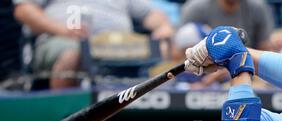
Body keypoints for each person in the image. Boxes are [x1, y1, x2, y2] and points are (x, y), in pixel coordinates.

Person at [13, 0, 174, 89]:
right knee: (73, 53)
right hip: (63, 40)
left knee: (160, 48)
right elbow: (23, 9)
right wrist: (61, 29)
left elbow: (152, 14)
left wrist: (163, 27)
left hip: (119, 46)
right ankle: (64, 119)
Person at [180, 0, 274, 51]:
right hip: (204, 70)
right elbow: (179, 53)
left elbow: (264, 47)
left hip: (246, 67)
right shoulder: (196, 8)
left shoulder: (258, 7)